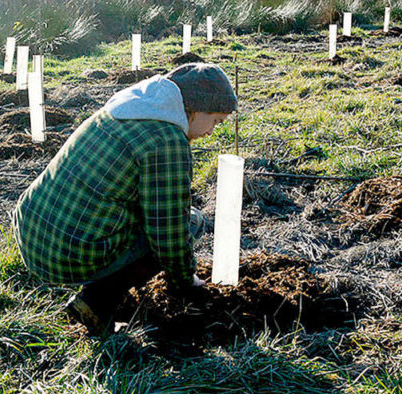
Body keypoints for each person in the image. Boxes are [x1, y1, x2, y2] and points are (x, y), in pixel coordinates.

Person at [12, 63, 236, 334]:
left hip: (34, 231)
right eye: (215, 121)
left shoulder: (129, 108)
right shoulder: (166, 140)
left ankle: (104, 292)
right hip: (65, 252)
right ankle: (97, 302)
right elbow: (169, 229)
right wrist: (185, 282)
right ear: (196, 108)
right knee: (190, 223)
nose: (212, 131)